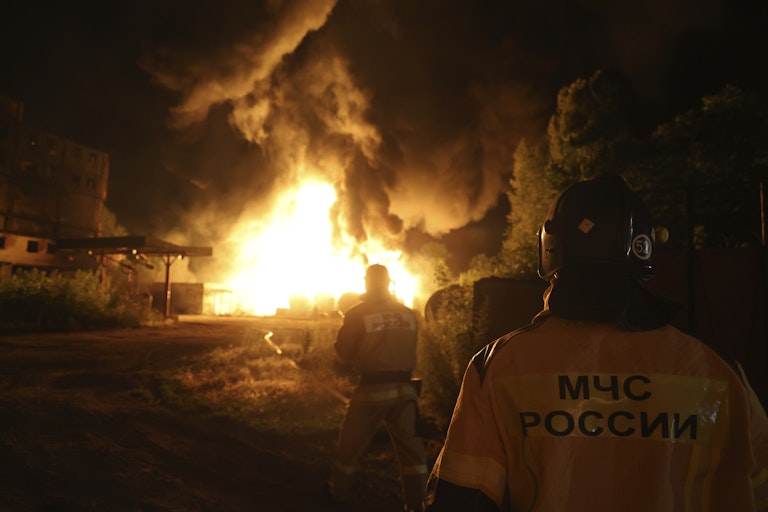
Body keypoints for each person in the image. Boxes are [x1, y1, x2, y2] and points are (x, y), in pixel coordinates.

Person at [424, 173, 768, 511]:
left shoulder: (499, 366)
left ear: (549, 252)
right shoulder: (718, 372)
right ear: (643, 250)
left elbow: (460, 499)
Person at [325, 263, 428, 511]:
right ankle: (419, 504)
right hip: (405, 390)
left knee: (350, 447)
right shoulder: (407, 313)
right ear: (389, 282)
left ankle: (338, 496)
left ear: (366, 283)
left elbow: (345, 354)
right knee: (413, 454)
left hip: (372, 391)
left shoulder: (357, 314)